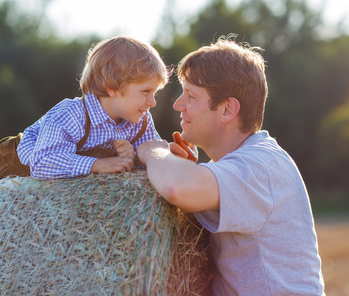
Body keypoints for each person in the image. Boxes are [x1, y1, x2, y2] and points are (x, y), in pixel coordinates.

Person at [136, 36, 325, 295]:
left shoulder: (261, 165)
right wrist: (190, 168)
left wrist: (151, 150)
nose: (178, 105)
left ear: (227, 109)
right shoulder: (244, 160)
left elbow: (176, 189)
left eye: (191, 96)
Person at [0, 35, 169, 191]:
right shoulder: (71, 114)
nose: (153, 102)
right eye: (146, 91)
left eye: (155, 92)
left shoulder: (139, 120)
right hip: (15, 162)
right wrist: (98, 164)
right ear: (112, 88)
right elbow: (42, 164)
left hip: (43, 162)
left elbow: (149, 155)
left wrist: (151, 154)